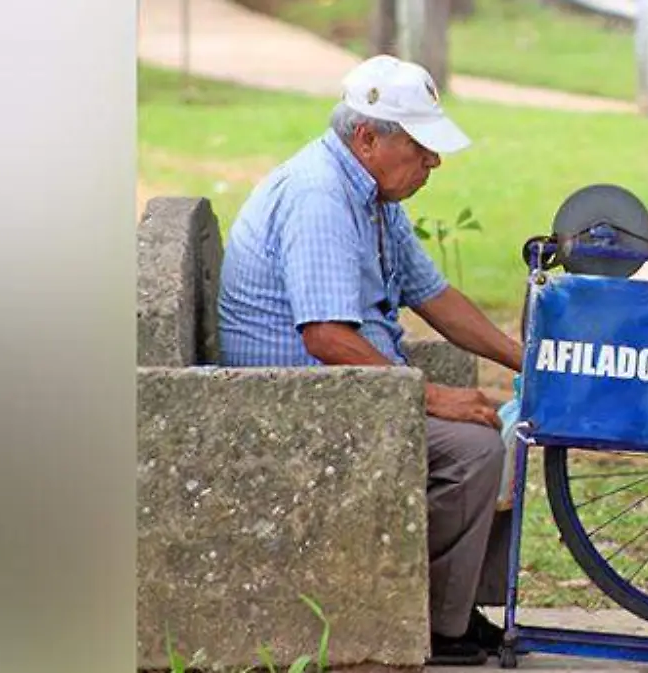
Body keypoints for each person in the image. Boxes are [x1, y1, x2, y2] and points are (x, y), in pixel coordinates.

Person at [216, 55, 524, 667]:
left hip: (353, 388)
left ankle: (457, 613)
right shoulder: (319, 196)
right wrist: (431, 397)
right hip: (301, 402)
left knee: (510, 428)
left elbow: (434, 295)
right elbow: (327, 337)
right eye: (421, 148)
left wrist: (529, 359)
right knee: (477, 448)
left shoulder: (375, 195)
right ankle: (430, 622)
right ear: (367, 137)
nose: (432, 162)